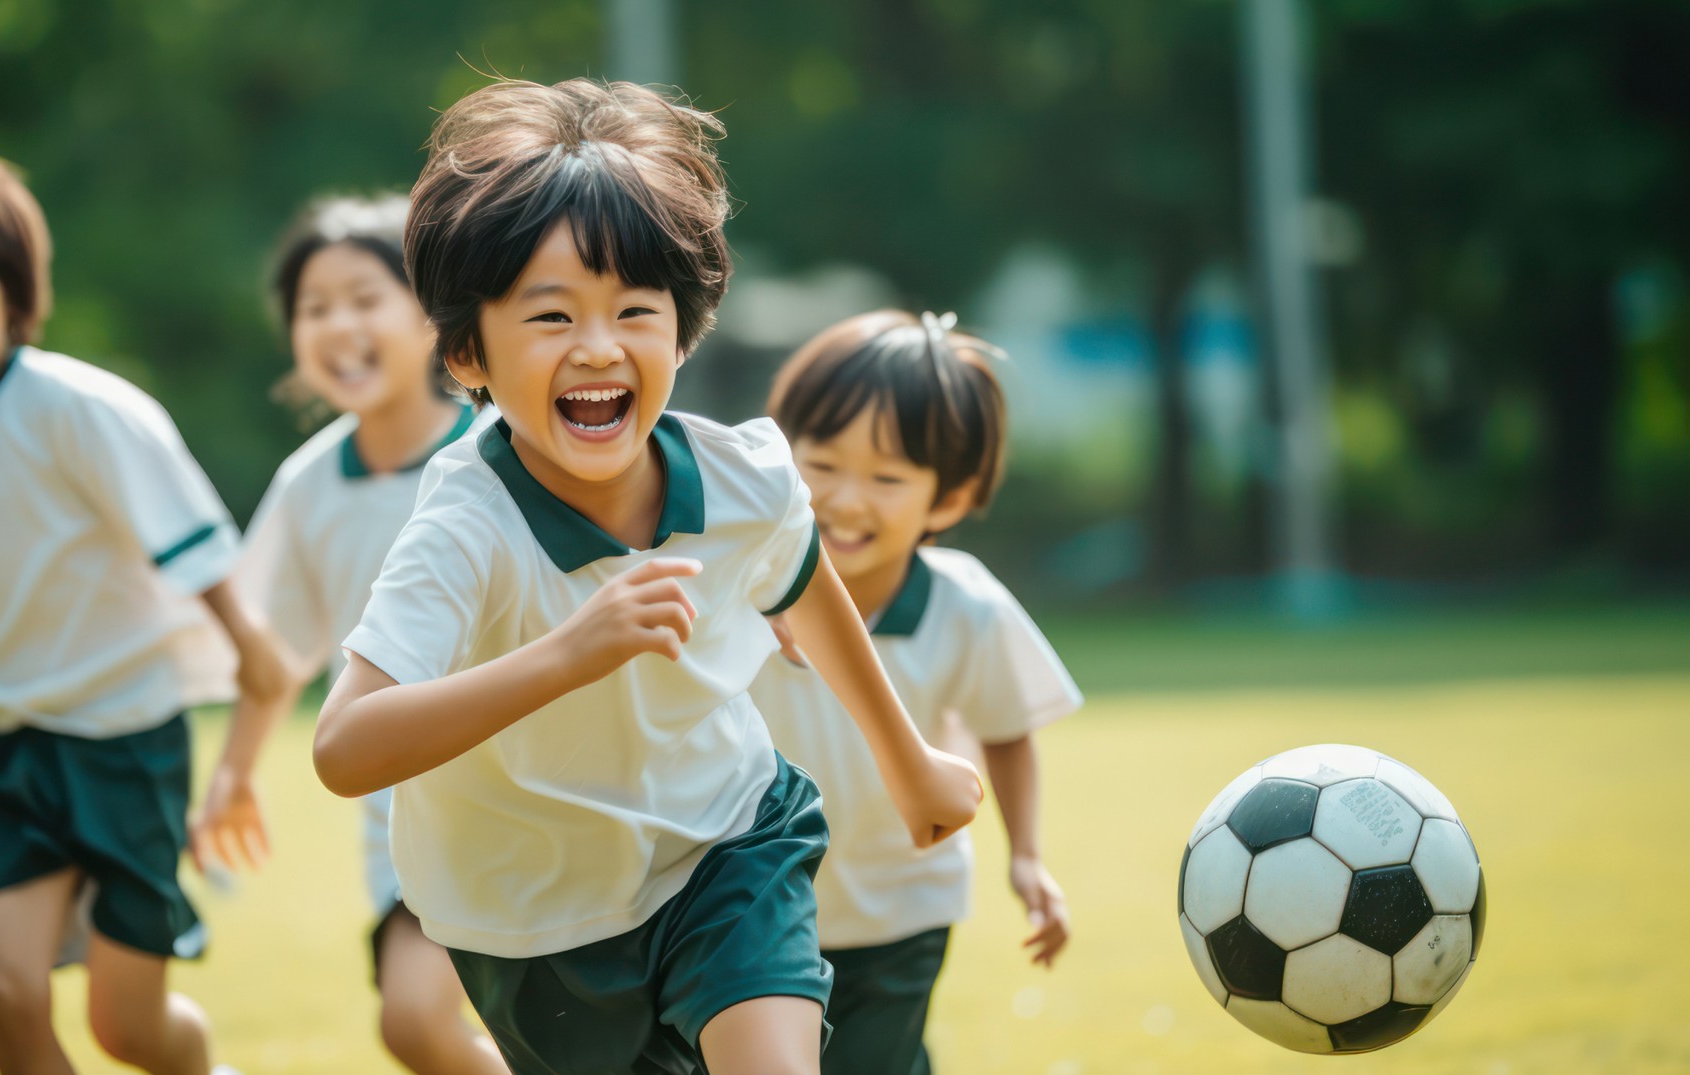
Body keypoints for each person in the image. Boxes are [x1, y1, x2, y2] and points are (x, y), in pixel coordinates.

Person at [311, 78, 984, 1075]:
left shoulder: (740, 475)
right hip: (529, 920)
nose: (597, 346)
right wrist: (567, 654)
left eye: (633, 309)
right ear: (467, 351)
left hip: (726, 841)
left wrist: (905, 758)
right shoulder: (463, 526)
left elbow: (799, 578)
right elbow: (345, 746)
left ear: (681, 328)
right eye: (549, 317)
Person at [0, 147, 287, 1075]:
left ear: (13, 291)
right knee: (4, 992)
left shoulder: (76, 406)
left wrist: (248, 643)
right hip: (0, 744)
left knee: (131, 1031)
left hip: (124, 737)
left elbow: (189, 528)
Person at [754, 310, 1083, 1075]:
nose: (843, 499)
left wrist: (1027, 856)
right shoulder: (741, 583)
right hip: (749, 903)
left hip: (904, 905)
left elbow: (1006, 727)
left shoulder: (966, 607)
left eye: (888, 477)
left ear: (949, 498)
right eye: (822, 463)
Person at [229, 193, 503, 1074]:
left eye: (362, 296)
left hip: (540, 794)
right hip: (409, 817)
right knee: (412, 1022)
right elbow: (275, 649)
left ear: (433, 316)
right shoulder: (310, 485)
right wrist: (233, 773)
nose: (338, 324)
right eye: (315, 307)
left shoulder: (508, 449)